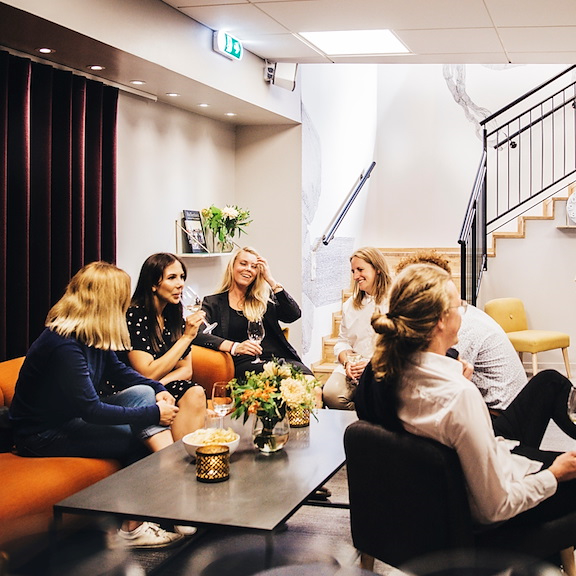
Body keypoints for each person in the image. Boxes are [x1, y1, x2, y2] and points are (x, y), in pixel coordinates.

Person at [355, 263, 576, 530]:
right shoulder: (459, 397)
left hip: (455, 485)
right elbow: (496, 507)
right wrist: (554, 474)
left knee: (548, 381)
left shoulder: (385, 373)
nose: (462, 311)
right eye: (459, 306)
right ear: (440, 320)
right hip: (491, 514)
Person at [9, 261, 188, 549]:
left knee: (143, 391)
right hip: (41, 435)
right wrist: (155, 412)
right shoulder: (63, 345)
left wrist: (157, 389)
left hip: (71, 419)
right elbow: (90, 410)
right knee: (137, 439)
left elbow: (119, 371)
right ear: (108, 302)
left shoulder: (88, 333)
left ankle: (173, 488)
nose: (126, 305)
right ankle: (136, 526)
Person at [119, 253, 207, 441]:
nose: (180, 284)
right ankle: (174, 454)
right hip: (134, 389)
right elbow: (147, 373)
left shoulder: (173, 315)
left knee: (195, 391)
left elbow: (186, 370)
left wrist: (161, 385)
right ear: (153, 284)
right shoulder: (135, 315)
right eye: (172, 277)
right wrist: (186, 338)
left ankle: (187, 453)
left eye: (182, 277)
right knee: (187, 393)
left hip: (159, 384)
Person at [194, 246, 313, 379]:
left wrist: (271, 281)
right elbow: (196, 333)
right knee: (288, 382)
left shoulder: (265, 299)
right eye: (243, 263)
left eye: (254, 266)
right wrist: (234, 347)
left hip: (279, 358)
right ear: (232, 267)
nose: (248, 269)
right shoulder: (213, 303)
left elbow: (293, 315)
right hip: (245, 364)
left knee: (311, 384)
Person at [322, 247, 392, 410]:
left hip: (384, 365)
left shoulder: (395, 300)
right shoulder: (350, 305)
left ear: (378, 269)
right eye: (353, 271)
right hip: (354, 366)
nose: (355, 276)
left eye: (360, 270)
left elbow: (401, 344)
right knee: (331, 395)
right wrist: (347, 362)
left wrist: (372, 364)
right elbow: (343, 342)